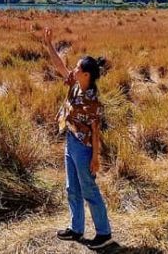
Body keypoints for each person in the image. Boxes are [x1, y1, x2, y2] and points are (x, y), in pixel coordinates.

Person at [39, 26, 114, 250]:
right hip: (71, 141)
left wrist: (95, 157)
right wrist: (49, 44)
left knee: (89, 189)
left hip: (84, 148)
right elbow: (60, 66)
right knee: (72, 188)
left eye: (78, 68)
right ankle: (76, 228)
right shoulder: (75, 86)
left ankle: (104, 233)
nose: (74, 69)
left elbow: (96, 130)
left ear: (87, 75)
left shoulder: (92, 100)